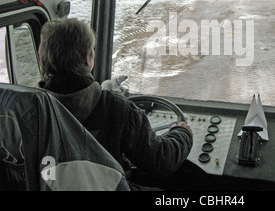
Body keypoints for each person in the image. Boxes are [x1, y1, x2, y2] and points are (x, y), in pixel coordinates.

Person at [37, 18, 194, 190]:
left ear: (43, 57)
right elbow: (160, 161)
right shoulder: (116, 107)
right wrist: (182, 133)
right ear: (88, 59)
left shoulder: (30, 108)